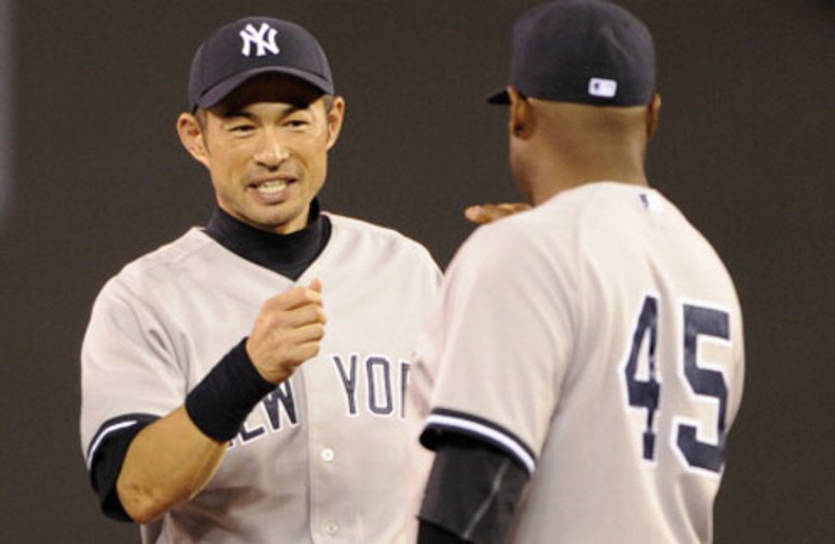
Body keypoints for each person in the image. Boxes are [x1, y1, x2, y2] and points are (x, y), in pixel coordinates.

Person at [79, 16, 441, 543]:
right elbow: (136, 491)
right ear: (196, 137)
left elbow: (462, 460)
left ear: (332, 123)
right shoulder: (143, 299)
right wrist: (246, 372)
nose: (272, 153)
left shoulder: (406, 270)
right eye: (242, 127)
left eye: (294, 122)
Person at [410, 1, 746, 543]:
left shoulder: (520, 252)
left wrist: (524, 253)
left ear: (520, 111)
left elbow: (471, 502)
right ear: (652, 115)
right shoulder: (705, 268)